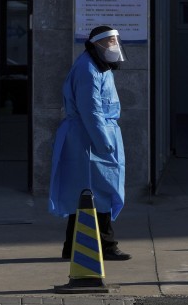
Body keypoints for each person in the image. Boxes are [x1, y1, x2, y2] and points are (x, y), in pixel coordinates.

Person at [48, 25, 131, 261]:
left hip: (93, 135)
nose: (115, 46)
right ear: (98, 44)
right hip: (89, 138)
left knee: (85, 192)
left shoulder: (98, 66)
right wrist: (104, 142)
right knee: (100, 190)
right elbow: (91, 110)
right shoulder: (88, 69)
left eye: (116, 41)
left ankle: (72, 245)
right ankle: (106, 244)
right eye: (111, 41)